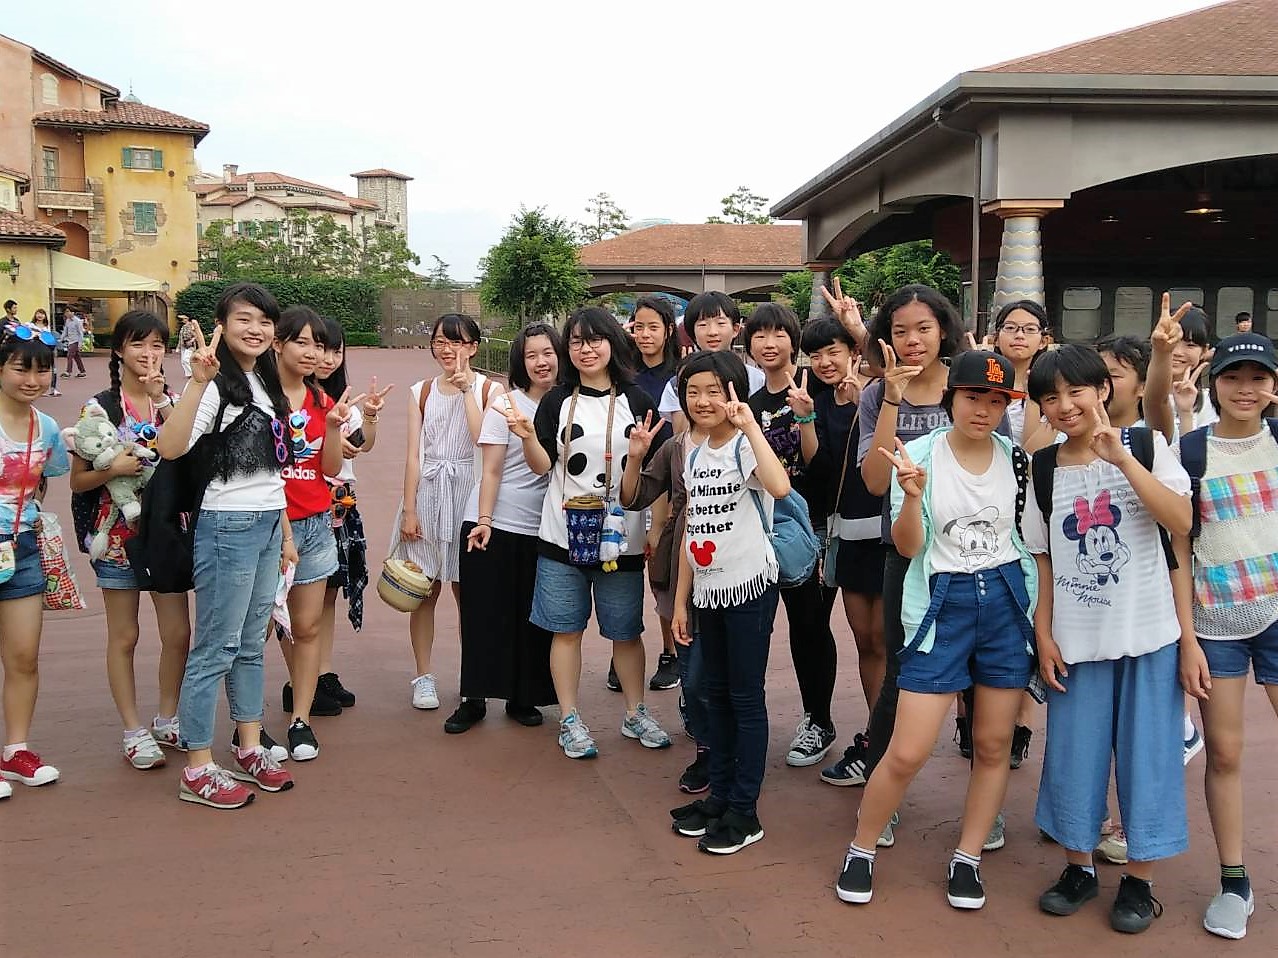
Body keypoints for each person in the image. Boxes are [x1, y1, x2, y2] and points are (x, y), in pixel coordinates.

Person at [837, 351, 1035, 910]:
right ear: (951, 400)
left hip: (1005, 602)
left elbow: (1026, 539)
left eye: (997, 401)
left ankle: (968, 858)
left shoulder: (1017, 461)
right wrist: (912, 497)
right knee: (907, 750)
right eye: (973, 397)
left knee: (992, 745)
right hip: (941, 604)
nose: (984, 410)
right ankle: (862, 848)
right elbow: (908, 547)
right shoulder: (919, 454)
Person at [1022, 344, 1193, 935]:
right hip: (1076, 642)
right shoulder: (1043, 469)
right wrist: (1043, 634)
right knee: (1073, 756)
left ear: (1103, 390)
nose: (1065, 405)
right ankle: (1079, 868)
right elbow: (1043, 560)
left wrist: (1121, 459)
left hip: (1150, 636)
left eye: (1076, 391)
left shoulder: (1146, 445)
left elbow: (1180, 522)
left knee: (1149, 757)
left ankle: (1140, 880)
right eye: (1051, 397)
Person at [156, 282, 299, 808]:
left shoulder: (264, 380)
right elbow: (169, 446)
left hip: (264, 525)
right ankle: (197, 766)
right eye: (244, 319)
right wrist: (197, 383)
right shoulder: (214, 384)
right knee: (216, 645)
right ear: (222, 325)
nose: (255, 330)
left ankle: (248, 744)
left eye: (264, 321)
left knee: (250, 643)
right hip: (226, 526)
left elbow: (272, 469)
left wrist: (284, 535)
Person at [518, 307, 670, 759]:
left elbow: (651, 477)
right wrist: (526, 436)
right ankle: (569, 718)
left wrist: (655, 526)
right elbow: (542, 467)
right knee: (565, 630)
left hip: (621, 538)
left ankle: (635, 712)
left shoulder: (637, 400)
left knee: (626, 632)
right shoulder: (556, 401)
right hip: (562, 535)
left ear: (612, 343)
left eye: (595, 340)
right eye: (577, 342)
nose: (586, 349)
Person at [855, 283, 975, 846]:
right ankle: (882, 798)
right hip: (905, 555)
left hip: (972, 555)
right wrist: (892, 398)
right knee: (900, 675)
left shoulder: (969, 386)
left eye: (923, 328)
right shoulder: (875, 396)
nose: (912, 340)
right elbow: (876, 482)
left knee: (979, 681)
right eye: (900, 331)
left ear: (943, 329)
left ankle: (983, 808)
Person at [664, 350, 790, 854]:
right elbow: (692, 530)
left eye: (714, 391)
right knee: (714, 695)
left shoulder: (743, 445)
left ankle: (745, 810)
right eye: (693, 392)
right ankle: (719, 796)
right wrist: (681, 602)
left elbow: (779, 486)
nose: (702, 401)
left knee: (744, 697)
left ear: (735, 392)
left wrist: (750, 425)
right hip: (708, 591)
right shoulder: (693, 452)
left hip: (749, 588)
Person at [1176, 333, 1278, 940]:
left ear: (1273, 386)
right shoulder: (1191, 452)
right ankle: (1234, 879)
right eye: (1233, 377)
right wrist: (1188, 638)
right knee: (1226, 751)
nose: (1245, 389)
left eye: (1257, 377)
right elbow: (1179, 550)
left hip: (1276, 613)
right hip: (1216, 623)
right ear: (1215, 383)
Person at [67, 310, 190, 770]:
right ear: (119, 350)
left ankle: (167, 717)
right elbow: (78, 481)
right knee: (125, 634)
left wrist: (165, 403)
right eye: (138, 344)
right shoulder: (99, 409)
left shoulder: (172, 402)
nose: (148, 353)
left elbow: (189, 456)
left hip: (166, 532)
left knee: (178, 633)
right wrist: (112, 470)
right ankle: (133, 730)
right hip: (117, 534)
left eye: (157, 345)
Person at [449, 323, 562, 733]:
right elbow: (492, 470)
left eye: (547, 352)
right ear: (520, 362)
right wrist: (484, 520)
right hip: (494, 521)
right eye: (531, 355)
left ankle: (523, 696)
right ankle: (474, 697)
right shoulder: (506, 404)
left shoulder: (570, 405)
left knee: (532, 616)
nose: (540, 362)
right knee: (483, 613)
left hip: (544, 528)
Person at [743, 303, 840, 767]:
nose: (769, 343)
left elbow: (822, 467)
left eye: (779, 333)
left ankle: (819, 720)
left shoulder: (817, 389)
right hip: (761, 528)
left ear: (793, 341)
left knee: (809, 626)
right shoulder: (750, 405)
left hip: (811, 527)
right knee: (756, 626)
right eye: (760, 335)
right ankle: (745, 719)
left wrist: (805, 418)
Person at [392, 313, 502, 711]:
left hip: (468, 495)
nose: (446, 349)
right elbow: (413, 455)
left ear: (473, 347)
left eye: (456, 341)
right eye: (440, 341)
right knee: (423, 591)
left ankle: (472, 679)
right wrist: (409, 509)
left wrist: (466, 389)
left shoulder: (490, 389)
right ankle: (423, 676)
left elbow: (482, 438)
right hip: (428, 494)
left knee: (467, 592)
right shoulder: (421, 391)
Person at [800, 317, 887, 787]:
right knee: (864, 639)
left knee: (888, 640)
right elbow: (821, 468)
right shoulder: (814, 402)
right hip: (847, 530)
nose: (824, 362)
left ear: (853, 351)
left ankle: (887, 741)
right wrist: (805, 419)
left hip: (889, 531)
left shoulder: (876, 395)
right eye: (815, 355)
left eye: (833, 351)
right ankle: (876, 733)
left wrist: (862, 403)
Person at [270, 305, 350, 761]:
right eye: (301, 342)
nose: (312, 353)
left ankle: (300, 720)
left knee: (307, 625)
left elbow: (330, 468)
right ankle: (248, 726)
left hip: (315, 524)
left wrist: (334, 428)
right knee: (257, 630)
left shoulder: (322, 402)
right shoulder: (258, 398)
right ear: (278, 343)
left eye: (317, 345)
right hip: (267, 527)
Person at [0, 320, 70, 798]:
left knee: (24, 655)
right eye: (21, 369)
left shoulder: (45, 428)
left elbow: (48, 477)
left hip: (20, 548)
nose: (32, 380)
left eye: (42, 371)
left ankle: (16, 750)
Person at [312, 317, 386, 710]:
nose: (327, 358)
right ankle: (302, 680)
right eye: (319, 348)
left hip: (341, 506)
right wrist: (327, 439)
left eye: (335, 350)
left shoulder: (343, 399)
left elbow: (363, 444)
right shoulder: (292, 398)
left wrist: (370, 415)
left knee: (328, 595)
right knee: (301, 600)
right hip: (307, 506)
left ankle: (322, 673)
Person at [626, 295, 680, 692]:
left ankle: (670, 652)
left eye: (653, 327)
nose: (645, 335)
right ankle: (625, 651)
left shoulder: (680, 376)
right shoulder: (623, 374)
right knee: (624, 569)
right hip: (630, 485)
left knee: (662, 573)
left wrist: (660, 519)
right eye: (638, 327)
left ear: (668, 330)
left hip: (669, 487)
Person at [657, 292, 766, 434]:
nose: (712, 332)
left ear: (735, 329)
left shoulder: (757, 378)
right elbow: (682, 436)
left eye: (720, 323)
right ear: (692, 333)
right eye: (703, 325)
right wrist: (684, 383)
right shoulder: (675, 384)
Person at [30, 310, 59, 397]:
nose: (40, 315)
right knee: (38, 369)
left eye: (42, 314)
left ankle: (53, 389)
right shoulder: (31, 326)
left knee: (52, 368)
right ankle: (40, 389)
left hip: (47, 350)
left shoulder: (47, 327)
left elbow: (49, 339)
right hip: (35, 350)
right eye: (38, 313)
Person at [62, 306, 87, 378]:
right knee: (76, 357)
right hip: (70, 340)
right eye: (65, 312)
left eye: (68, 311)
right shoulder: (67, 321)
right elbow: (65, 330)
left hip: (76, 341)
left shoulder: (78, 321)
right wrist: (61, 338)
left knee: (69, 355)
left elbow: (80, 333)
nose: (66, 313)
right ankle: (82, 371)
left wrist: (80, 344)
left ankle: (68, 372)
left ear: (72, 312)